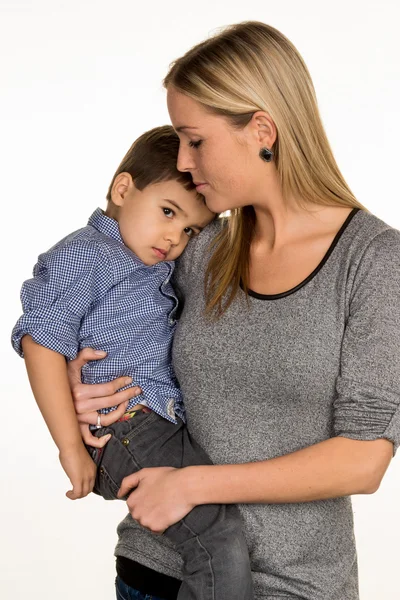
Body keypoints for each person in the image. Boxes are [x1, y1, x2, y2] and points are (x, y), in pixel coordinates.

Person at [68, 21, 400, 600]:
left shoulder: (373, 262)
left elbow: (363, 459)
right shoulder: (198, 248)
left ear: (262, 131)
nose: (182, 160)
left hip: (293, 586)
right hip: (155, 571)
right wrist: (81, 378)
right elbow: (74, 307)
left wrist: (194, 484)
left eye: (194, 139)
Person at [11, 126, 255, 600]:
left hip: (152, 423)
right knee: (218, 536)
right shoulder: (89, 254)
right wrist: (68, 446)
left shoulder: (147, 261)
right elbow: (42, 341)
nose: (174, 236)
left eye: (188, 230)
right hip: (129, 425)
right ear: (123, 189)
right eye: (167, 212)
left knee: (213, 534)